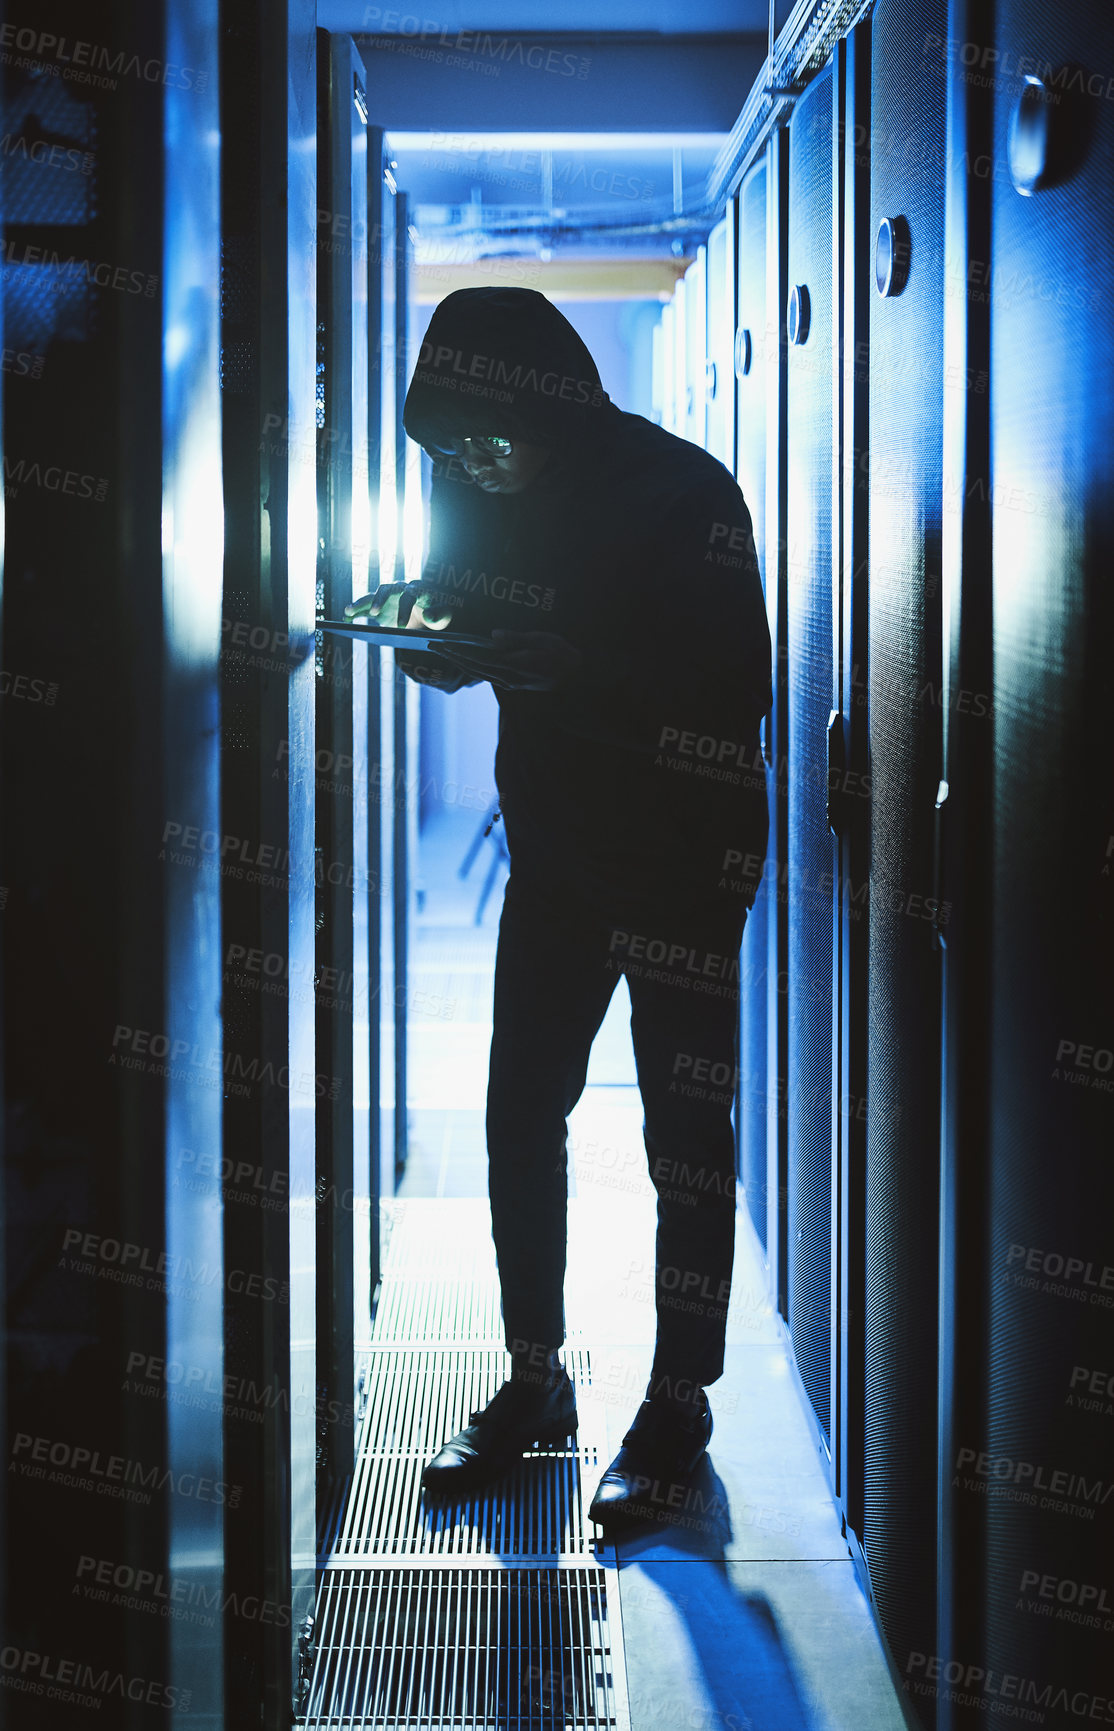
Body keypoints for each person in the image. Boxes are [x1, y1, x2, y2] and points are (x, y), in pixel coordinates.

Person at [351, 287, 772, 1528]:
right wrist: (432, 638)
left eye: (488, 440)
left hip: (684, 856)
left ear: (554, 404)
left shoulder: (681, 494)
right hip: (554, 845)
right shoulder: (469, 476)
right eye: (448, 450)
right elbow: (458, 602)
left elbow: (735, 691)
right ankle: (534, 1380)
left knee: (682, 1136)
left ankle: (676, 1403)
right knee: (518, 1110)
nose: (471, 467)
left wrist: (568, 665)